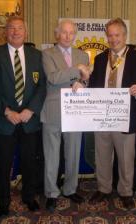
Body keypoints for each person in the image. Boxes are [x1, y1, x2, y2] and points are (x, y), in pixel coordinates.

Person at [0, 16, 46, 217]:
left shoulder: (37, 55)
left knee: (30, 162)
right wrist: (7, 111)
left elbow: (42, 86)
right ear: (5, 32)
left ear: (26, 32)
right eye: (11, 28)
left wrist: (31, 110)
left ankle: (29, 197)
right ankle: (3, 201)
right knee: (4, 164)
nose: (15, 32)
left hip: (29, 120)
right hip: (4, 120)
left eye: (19, 28)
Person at [88, 18, 136, 210]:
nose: (113, 39)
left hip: (126, 117)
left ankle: (125, 192)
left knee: (126, 157)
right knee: (102, 155)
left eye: (117, 35)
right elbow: (93, 87)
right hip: (102, 118)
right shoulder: (99, 59)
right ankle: (104, 188)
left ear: (125, 35)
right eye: (110, 35)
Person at [41, 19, 90, 212]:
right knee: (51, 156)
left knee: (73, 154)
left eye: (72, 33)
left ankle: (70, 189)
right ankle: (51, 193)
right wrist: (77, 70)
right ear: (57, 34)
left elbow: (86, 80)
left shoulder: (82, 54)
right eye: (64, 32)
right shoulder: (47, 54)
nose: (68, 36)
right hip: (53, 112)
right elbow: (53, 78)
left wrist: (83, 82)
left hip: (75, 111)